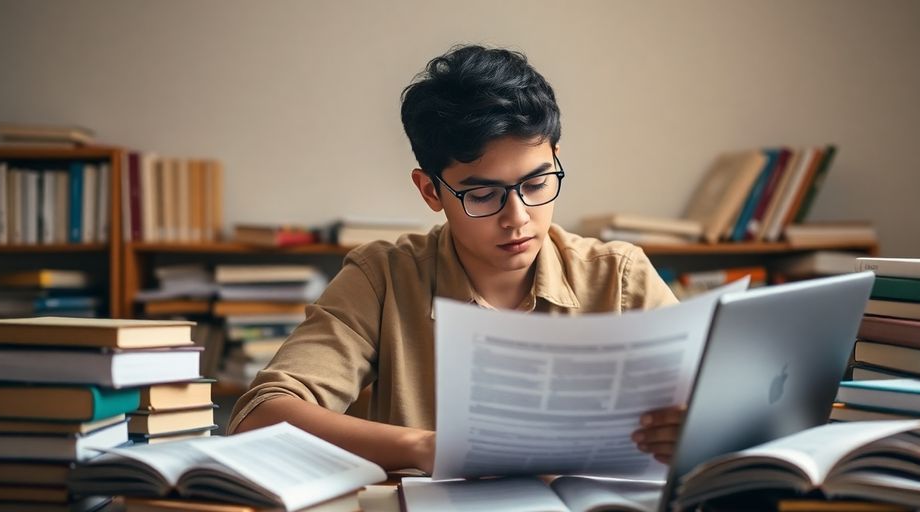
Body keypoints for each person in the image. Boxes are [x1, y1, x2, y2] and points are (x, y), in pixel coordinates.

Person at [228, 44, 684, 473]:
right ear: (430, 190)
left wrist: (693, 430)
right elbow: (258, 415)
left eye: (537, 184)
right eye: (483, 194)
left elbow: (716, 409)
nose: (518, 218)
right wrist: (426, 447)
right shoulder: (383, 277)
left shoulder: (620, 277)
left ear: (555, 159)